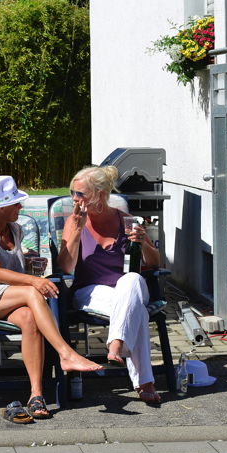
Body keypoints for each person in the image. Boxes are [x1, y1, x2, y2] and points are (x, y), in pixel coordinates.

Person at [0, 176, 103, 421]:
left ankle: (36, 395)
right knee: (32, 291)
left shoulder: (15, 228)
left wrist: (29, 263)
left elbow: (12, 268)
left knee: (29, 318)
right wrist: (34, 280)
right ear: (1, 207)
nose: (20, 208)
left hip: (5, 295)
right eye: (16, 204)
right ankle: (65, 353)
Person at [57, 166, 163, 405]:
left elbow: (154, 262)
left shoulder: (126, 220)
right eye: (73, 193)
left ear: (101, 194)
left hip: (128, 289)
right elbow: (65, 267)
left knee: (132, 279)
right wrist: (76, 229)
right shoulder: (73, 222)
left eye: (81, 194)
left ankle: (116, 343)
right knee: (138, 312)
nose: (75, 199)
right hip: (90, 291)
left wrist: (144, 242)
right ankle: (145, 381)